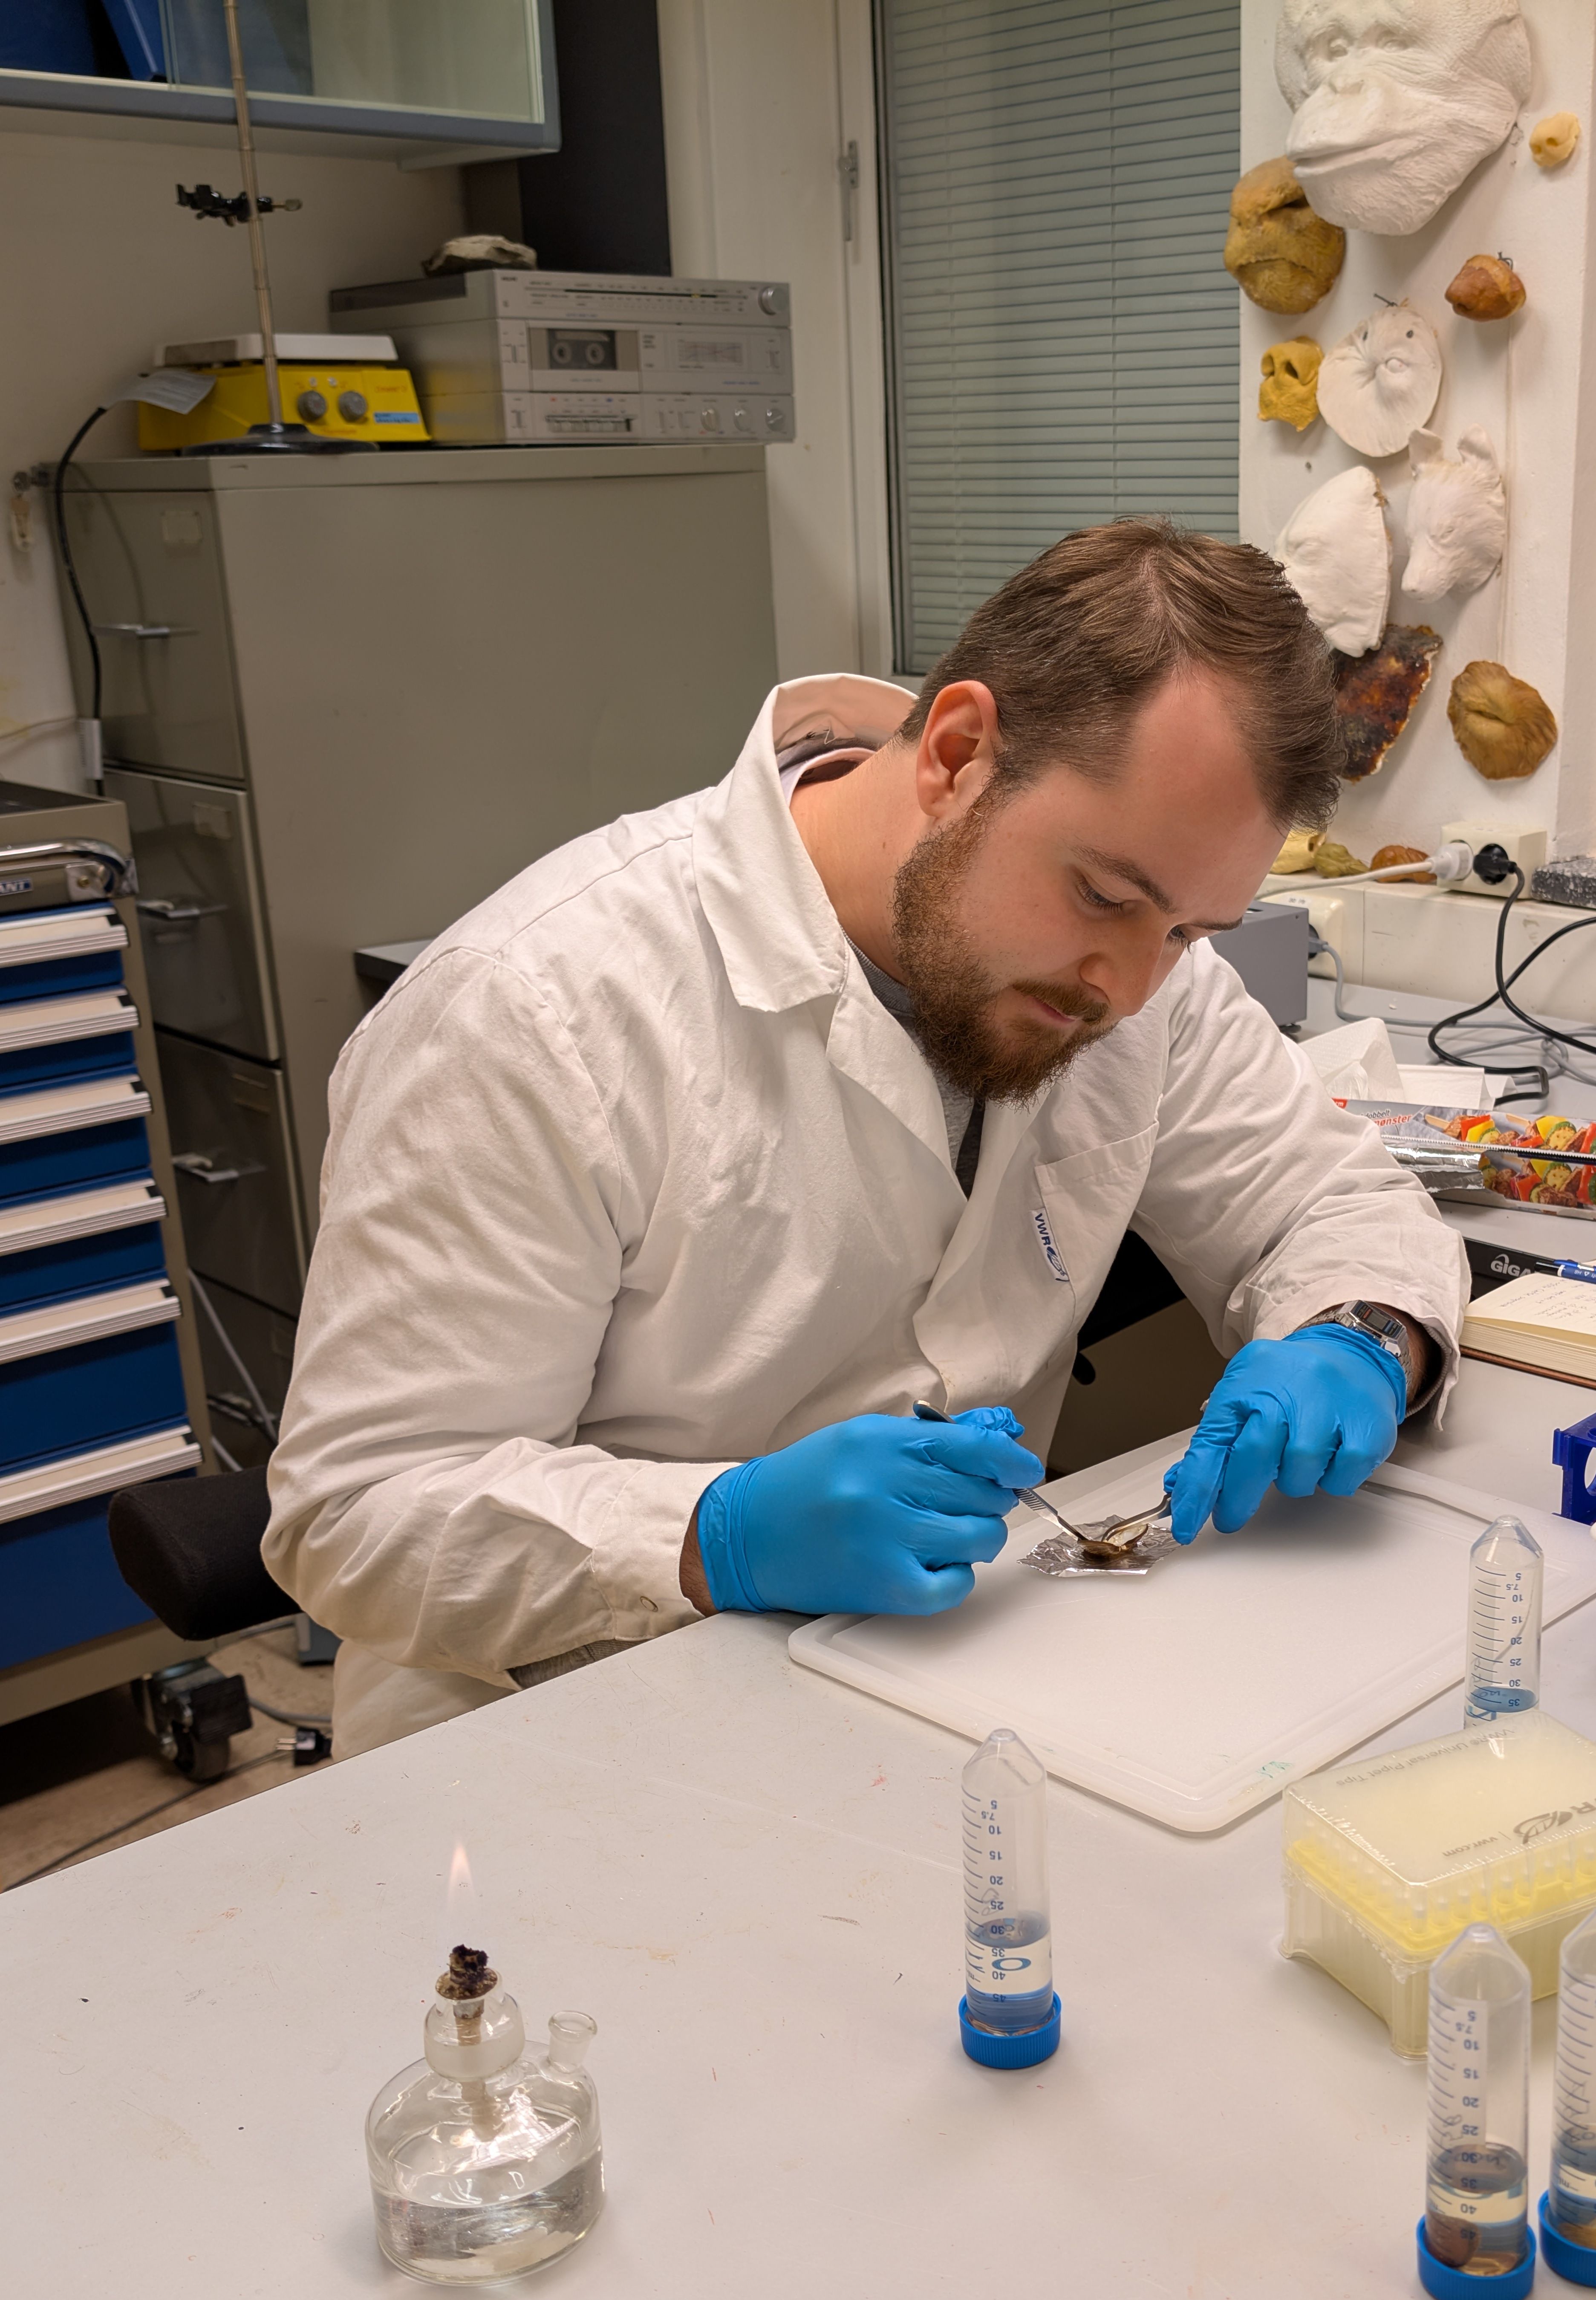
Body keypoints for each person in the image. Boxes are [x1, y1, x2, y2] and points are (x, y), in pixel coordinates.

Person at [263, 521, 1466, 1755]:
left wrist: (1362, 1337)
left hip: (926, 1689)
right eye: (1104, 898)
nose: (1135, 988)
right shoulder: (535, 1009)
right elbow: (358, 1510)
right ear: (955, 754)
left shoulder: (1127, 977)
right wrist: (708, 1532)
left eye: (1189, 931)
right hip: (553, 1721)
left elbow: (1328, 1203)